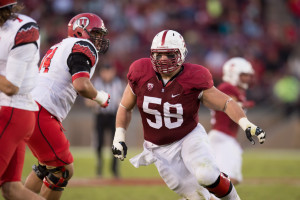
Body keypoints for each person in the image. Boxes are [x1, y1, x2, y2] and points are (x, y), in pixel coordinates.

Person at [112, 30, 266, 200]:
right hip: (159, 149)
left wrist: (246, 124)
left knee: (206, 175)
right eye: (158, 54)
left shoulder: (194, 76)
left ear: (181, 53)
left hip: (189, 137)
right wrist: (119, 137)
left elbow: (226, 102)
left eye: (169, 54)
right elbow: (125, 107)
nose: (163, 60)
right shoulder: (140, 71)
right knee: (198, 197)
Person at [24, 13, 110, 200]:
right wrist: (100, 97)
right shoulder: (82, 45)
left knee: (44, 167)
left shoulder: (58, 46)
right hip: (42, 110)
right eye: (95, 33)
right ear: (80, 30)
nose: (99, 38)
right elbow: (81, 84)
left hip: (32, 108)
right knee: (62, 169)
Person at [0, 1, 45, 199]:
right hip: (11, 112)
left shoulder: (23, 29)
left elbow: (11, 86)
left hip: (12, 111)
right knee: (12, 189)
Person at [208, 57, 255, 186]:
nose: (247, 78)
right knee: (226, 179)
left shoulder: (237, 90)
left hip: (225, 137)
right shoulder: (227, 87)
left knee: (230, 179)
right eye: (244, 75)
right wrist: (243, 104)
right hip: (222, 136)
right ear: (233, 73)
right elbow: (232, 103)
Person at [85, 63, 125, 178]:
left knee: (116, 144)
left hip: (114, 116)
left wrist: (121, 104)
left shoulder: (119, 84)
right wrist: (96, 101)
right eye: (105, 72)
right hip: (100, 116)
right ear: (101, 72)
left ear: (113, 72)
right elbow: (87, 101)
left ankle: (114, 169)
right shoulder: (96, 83)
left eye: (109, 72)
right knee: (99, 143)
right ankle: (99, 168)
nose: (107, 75)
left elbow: (124, 101)